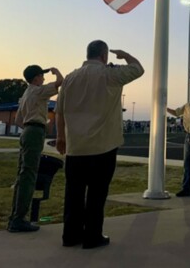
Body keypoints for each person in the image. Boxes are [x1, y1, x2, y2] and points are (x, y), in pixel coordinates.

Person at [56, 40, 144, 249]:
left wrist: (61, 137)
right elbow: (138, 69)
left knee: (73, 193)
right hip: (103, 146)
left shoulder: (69, 78)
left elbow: (59, 111)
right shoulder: (109, 75)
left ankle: (70, 235)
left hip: (76, 147)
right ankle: (92, 236)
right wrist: (125, 55)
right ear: (104, 55)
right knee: (97, 194)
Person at [8, 65, 63, 232]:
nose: (44, 79)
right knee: (30, 175)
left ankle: (15, 216)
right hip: (34, 132)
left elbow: (18, 120)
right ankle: (19, 219)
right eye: (42, 76)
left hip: (26, 131)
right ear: (36, 78)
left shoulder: (26, 94)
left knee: (22, 174)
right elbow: (60, 82)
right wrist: (55, 70)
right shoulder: (38, 91)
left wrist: (31, 125)